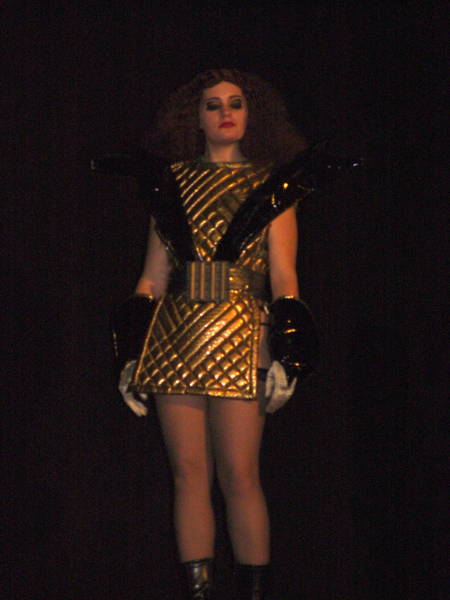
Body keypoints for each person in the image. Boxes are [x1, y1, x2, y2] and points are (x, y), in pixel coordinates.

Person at [103, 68, 320, 600]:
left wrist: (289, 353)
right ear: (194, 118)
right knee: (188, 473)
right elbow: (151, 279)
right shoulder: (172, 183)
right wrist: (131, 355)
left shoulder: (272, 185)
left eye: (236, 103)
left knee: (240, 473)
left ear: (252, 115)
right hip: (176, 333)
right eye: (213, 105)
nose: (225, 113)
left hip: (243, 330)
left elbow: (284, 278)